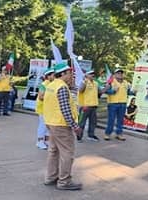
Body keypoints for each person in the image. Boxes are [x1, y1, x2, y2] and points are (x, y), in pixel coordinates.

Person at [43, 61, 83, 190]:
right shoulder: (61, 87)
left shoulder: (52, 85)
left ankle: (50, 177)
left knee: (53, 151)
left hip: (51, 122)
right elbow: (65, 109)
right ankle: (64, 181)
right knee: (67, 153)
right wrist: (75, 126)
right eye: (70, 73)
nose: (71, 75)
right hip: (61, 124)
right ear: (63, 73)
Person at [104, 67, 130, 140]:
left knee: (120, 120)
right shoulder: (110, 81)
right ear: (114, 74)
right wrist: (113, 91)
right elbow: (105, 91)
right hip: (113, 103)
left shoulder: (126, 83)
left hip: (123, 103)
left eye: (121, 73)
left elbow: (128, 92)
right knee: (111, 120)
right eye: (118, 73)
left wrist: (133, 92)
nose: (120, 74)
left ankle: (119, 134)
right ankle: (107, 133)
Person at [77, 71, 100, 142]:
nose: (93, 75)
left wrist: (108, 86)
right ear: (86, 75)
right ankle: (79, 136)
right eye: (90, 74)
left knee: (93, 122)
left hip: (94, 105)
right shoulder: (84, 82)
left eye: (93, 74)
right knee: (82, 122)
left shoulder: (96, 83)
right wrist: (84, 81)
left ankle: (91, 135)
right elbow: (80, 90)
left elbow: (100, 92)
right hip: (85, 106)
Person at [35, 68, 54, 149]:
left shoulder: (52, 84)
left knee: (48, 125)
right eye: (53, 74)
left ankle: (46, 141)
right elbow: (41, 96)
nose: (55, 76)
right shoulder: (44, 84)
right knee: (43, 125)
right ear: (48, 76)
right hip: (43, 108)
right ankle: (39, 141)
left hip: (49, 108)